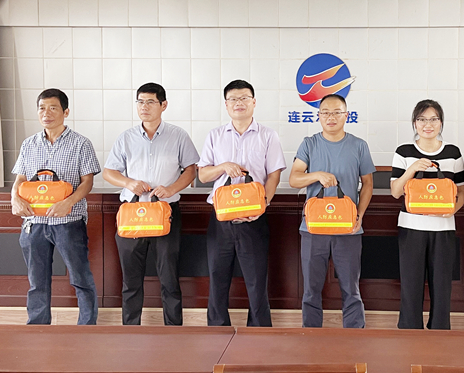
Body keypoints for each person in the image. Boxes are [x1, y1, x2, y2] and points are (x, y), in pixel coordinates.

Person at [104, 82, 199, 326]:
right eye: (140, 102)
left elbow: (191, 170)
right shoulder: (126, 138)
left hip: (165, 212)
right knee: (131, 279)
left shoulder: (178, 135)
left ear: (163, 105)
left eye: (150, 102)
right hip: (132, 213)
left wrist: (171, 189)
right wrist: (128, 183)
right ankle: (131, 329)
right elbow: (109, 172)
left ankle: (173, 329)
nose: (144, 107)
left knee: (169, 276)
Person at [198, 79, 285, 327]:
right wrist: (223, 167)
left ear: (254, 102)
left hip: (254, 219)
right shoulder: (215, 135)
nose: (239, 103)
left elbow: (274, 175)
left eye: (244, 98)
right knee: (217, 277)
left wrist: (262, 206)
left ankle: (259, 332)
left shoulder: (268, 135)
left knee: (256, 281)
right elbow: (203, 175)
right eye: (233, 99)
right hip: (221, 219)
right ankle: (217, 329)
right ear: (226, 105)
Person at [11, 88, 101, 325]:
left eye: (53, 108)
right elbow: (20, 179)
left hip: (68, 222)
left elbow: (87, 182)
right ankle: (38, 327)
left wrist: (67, 203)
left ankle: (87, 328)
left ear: (65, 112)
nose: (46, 113)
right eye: (42, 108)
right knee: (37, 281)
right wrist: (14, 198)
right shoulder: (29, 144)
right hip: (34, 223)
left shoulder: (81, 144)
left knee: (80, 278)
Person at [289, 93, 375, 328]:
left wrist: (360, 215)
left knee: (351, 288)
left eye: (337, 112)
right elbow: (294, 179)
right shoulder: (309, 144)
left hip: (348, 228)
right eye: (325, 112)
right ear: (318, 116)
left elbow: (368, 184)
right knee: (311, 289)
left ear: (346, 115)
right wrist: (317, 175)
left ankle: (354, 336)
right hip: (313, 228)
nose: (331, 117)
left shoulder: (359, 145)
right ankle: (311, 336)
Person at [390, 99, 464, 330]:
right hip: (411, 228)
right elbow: (395, 191)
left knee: (442, 285)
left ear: (441, 123)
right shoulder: (404, 152)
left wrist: (453, 210)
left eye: (434, 119)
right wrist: (412, 169)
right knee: (411, 285)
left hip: (443, 229)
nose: (428, 124)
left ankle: (440, 331)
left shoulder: (453, 153)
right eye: (422, 119)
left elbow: (463, 190)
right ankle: (409, 330)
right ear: (415, 123)